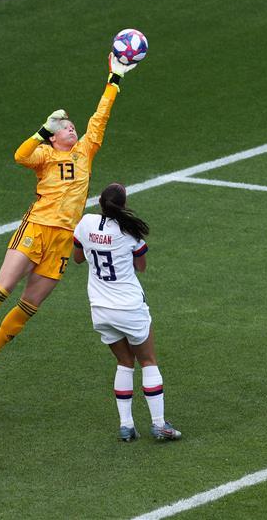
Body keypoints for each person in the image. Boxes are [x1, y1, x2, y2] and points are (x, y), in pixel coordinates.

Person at [0, 53, 139, 388]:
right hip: (36, 227)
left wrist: (115, 78)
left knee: (30, 304)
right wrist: (40, 131)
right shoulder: (45, 156)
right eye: (65, 127)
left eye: (73, 126)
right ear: (53, 136)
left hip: (64, 239)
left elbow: (100, 117)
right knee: (2, 288)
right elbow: (19, 156)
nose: (72, 128)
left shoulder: (85, 151)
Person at [72, 183, 181, 441]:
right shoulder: (129, 233)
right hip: (129, 307)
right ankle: (158, 424)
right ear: (123, 205)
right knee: (148, 361)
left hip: (100, 309)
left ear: (101, 204)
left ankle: (126, 425)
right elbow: (141, 266)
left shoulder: (85, 223)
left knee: (124, 362)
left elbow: (77, 258)